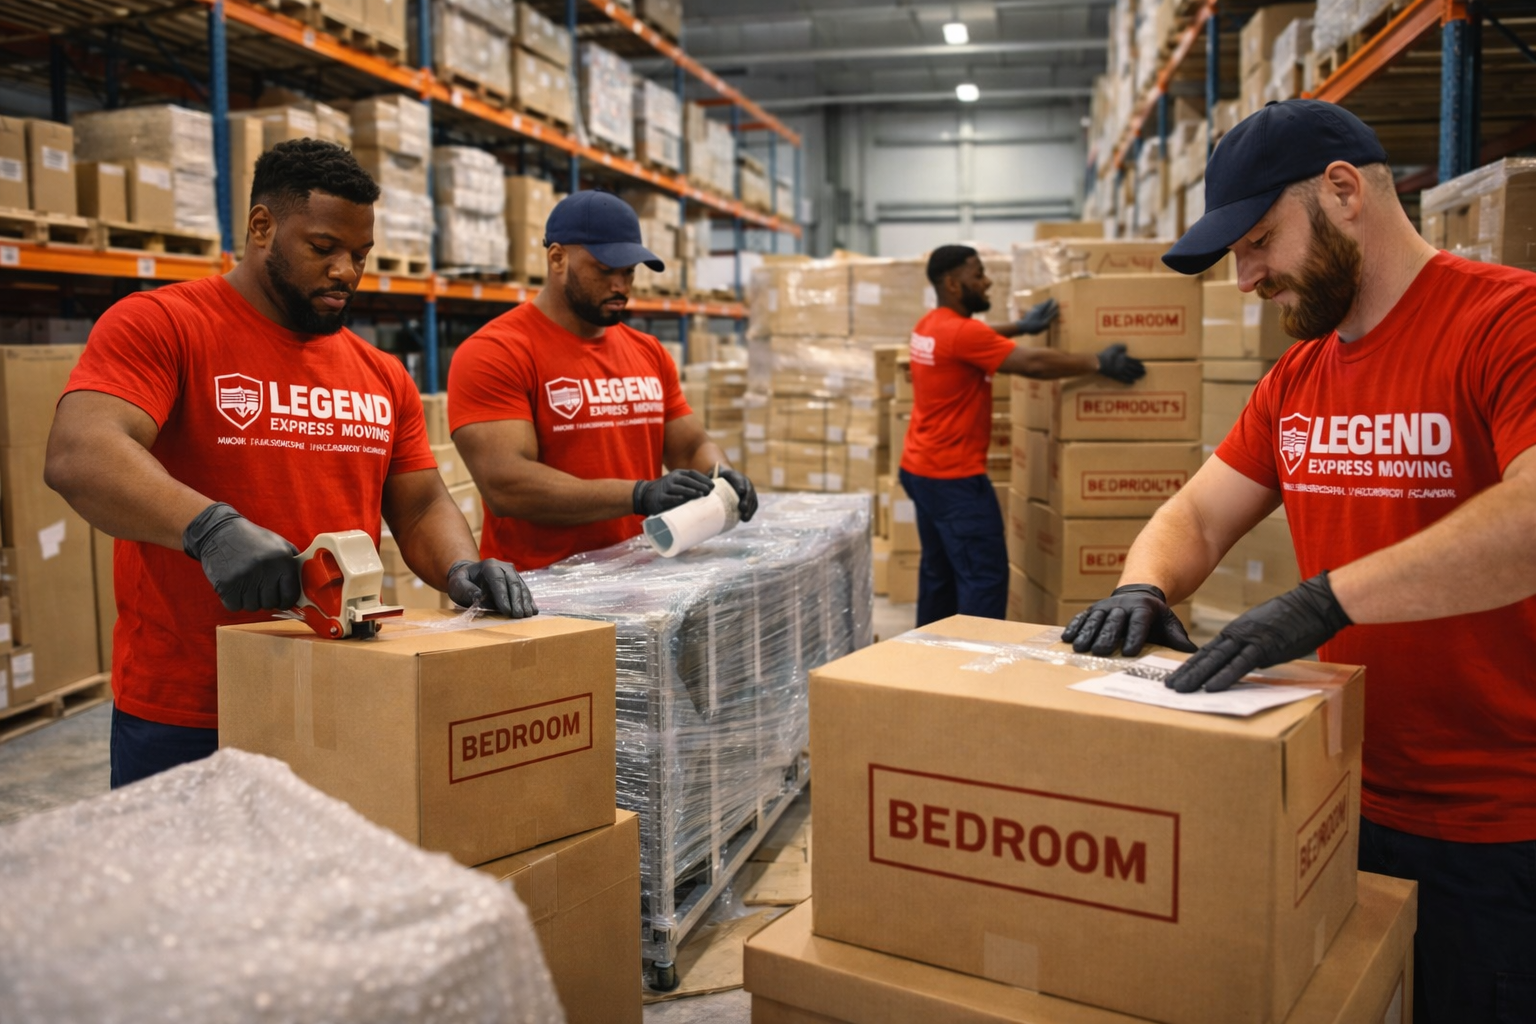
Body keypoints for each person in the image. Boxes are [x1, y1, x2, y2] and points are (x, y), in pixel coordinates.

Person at [1062, 99, 1536, 1023]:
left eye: (1258, 242)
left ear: (1344, 191)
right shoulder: (1301, 377)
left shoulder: (1507, 321)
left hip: (1497, 825)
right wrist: (1143, 582)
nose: (1246, 279)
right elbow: (1198, 513)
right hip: (1337, 795)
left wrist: (1325, 602)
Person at [44, 139, 536, 790]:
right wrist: (209, 528)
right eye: (324, 248)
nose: (346, 272)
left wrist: (459, 568)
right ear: (261, 227)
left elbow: (418, 503)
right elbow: (81, 451)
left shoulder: (381, 374)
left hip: (339, 686)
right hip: (190, 707)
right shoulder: (162, 325)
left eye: (360, 256)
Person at [447, 189, 756, 571]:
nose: (621, 286)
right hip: (543, 593)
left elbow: (691, 445)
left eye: (629, 272)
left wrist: (721, 475)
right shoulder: (496, 352)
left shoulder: (649, 352)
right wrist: (639, 495)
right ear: (557, 258)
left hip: (643, 574)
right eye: (606, 270)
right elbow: (507, 485)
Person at [899, 245, 1146, 625]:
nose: (987, 281)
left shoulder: (929, 326)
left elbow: (972, 337)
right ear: (952, 283)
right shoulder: (960, 333)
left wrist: (1021, 327)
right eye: (977, 275)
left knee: (940, 573)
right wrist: (1098, 362)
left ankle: (927, 657)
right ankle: (976, 670)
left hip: (919, 470)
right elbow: (1030, 363)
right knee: (984, 577)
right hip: (954, 481)